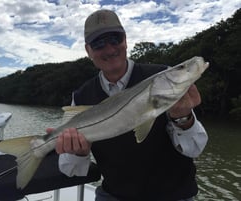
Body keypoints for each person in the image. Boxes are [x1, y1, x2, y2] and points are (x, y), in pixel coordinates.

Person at [53, 9, 208, 201]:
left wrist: (183, 118)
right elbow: (71, 171)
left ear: (125, 40)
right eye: (99, 43)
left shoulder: (162, 77)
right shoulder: (81, 97)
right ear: (88, 50)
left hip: (174, 196)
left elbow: (195, 149)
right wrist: (79, 152)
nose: (109, 49)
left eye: (115, 39)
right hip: (114, 195)